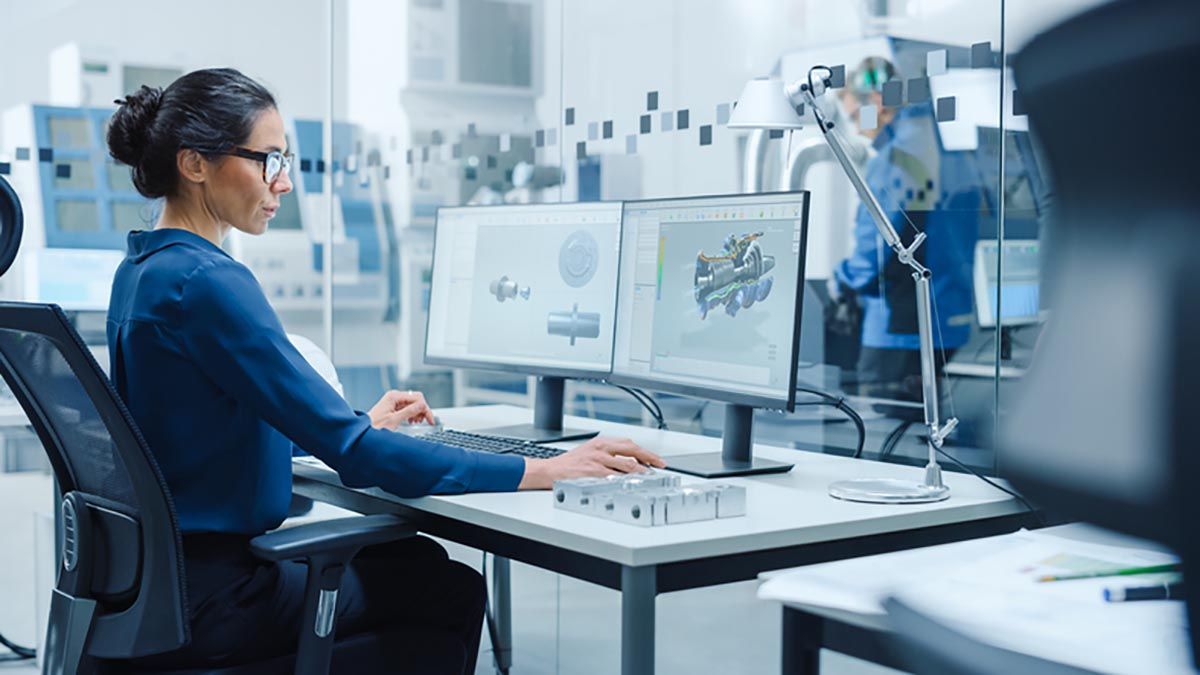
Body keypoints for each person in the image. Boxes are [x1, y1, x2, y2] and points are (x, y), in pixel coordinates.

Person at [104, 67, 664, 673]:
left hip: (161, 587)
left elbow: (197, 429)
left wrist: (356, 423)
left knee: (413, 564)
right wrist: (544, 468)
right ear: (194, 165)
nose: (284, 182)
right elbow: (361, 460)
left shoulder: (143, 270)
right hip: (220, 599)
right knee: (446, 587)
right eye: (268, 160)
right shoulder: (209, 283)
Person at [831, 57, 980, 402]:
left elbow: (879, 244)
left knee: (886, 443)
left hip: (901, 327)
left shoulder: (900, 155)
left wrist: (843, 280)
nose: (856, 128)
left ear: (879, 102)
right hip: (948, 317)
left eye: (856, 116)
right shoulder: (949, 149)